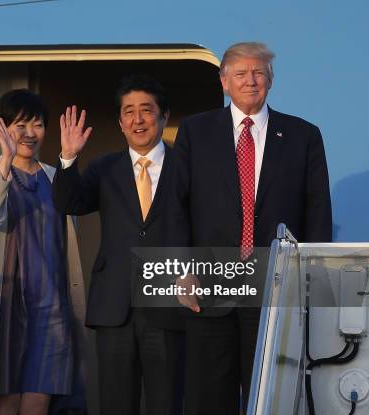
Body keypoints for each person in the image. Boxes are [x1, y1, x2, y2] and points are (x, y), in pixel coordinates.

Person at [173, 42, 332, 414]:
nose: (250, 81)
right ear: (224, 81)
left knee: (273, 397)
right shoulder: (195, 132)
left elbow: (317, 212)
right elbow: (174, 205)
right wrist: (181, 269)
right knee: (208, 399)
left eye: (258, 73)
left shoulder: (303, 135)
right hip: (207, 291)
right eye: (241, 74)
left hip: (275, 292)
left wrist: (309, 282)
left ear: (271, 80)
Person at [53, 75, 189, 415]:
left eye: (146, 110)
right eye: (129, 112)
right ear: (120, 121)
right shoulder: (104, 167)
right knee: (116, 402)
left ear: (163, 116)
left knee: (166, 402)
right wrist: (68, 158)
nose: (138, 119)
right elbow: (69, 202)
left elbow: (204, 226)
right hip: (115, 306)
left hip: (170, 304)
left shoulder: (187, 167)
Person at [0, 89, 87, 415]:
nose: (30, 134)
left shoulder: (53, 175)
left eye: (37, 125)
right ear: (2, 128)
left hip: (51, 305)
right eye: (20, 125)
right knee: (6, 402)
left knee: (39, 402)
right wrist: (6, 161)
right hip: (6, 303)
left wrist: (70, 157)